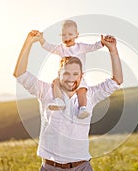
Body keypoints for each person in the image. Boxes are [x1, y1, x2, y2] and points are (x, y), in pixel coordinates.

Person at [13, 30, 123, 171]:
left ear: (81, 76)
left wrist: (112, 49)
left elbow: (117, 80)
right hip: (50, 167)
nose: (71, 78)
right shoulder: (46, 92)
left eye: (75, 74)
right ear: (59, 74)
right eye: (66, 73)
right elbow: (20, 74)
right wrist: (28, 42)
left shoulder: (90, 95)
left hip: (81, 167)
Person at [39, 20, 104, 119]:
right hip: (64, 77)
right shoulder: (61, 48)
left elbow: (93, 47)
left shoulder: (81, 47)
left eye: (70, 34)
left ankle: (82, 108)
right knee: (56, 82)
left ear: (76, 35)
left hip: (78, 77)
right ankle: (59, 101)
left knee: (81, 90)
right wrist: (41, 39)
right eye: (64, 35)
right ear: (60, 36)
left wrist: (102, 42)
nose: (67, 37)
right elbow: (48, 47)